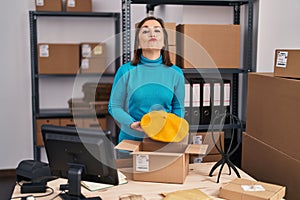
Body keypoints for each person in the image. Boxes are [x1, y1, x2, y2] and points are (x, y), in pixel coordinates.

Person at [108, 16, 185, 143]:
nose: (151, 33)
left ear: (164, 42)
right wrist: (132, 123)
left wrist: (170, 130)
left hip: (163, 141)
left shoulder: (176, 73)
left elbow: (178, 108)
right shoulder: (125, 71)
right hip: (131, 140)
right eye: (145, 31)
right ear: (138, 42)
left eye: (157, 30)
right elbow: (114, 106)